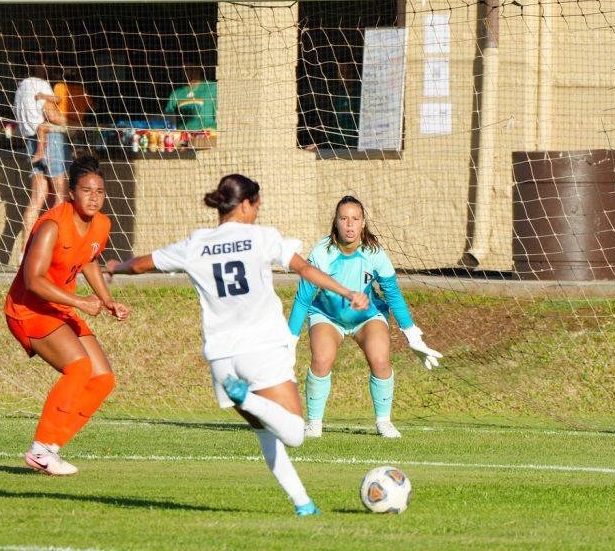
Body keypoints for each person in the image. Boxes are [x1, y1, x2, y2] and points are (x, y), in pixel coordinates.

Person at [107, 174, 369, 516]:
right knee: (293, 433)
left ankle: (304, 505)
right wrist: (348, 292)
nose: (257, 214)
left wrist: (114, 265)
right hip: (262, 348)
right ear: (245, 205)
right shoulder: (262, 238)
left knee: (266, 435)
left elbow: (140, 264)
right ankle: (246, 398)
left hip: (223, 359)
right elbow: (305, 269)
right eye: (256, 206)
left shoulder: (196, 243)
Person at [4, 155, 128, 476]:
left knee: (102, 379)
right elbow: (33, 281)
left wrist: (106, 300)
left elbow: (88, 258)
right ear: (71, 192)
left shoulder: (101, 223)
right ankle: (41, 448)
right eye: (87, 191)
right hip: (28, 309)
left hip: (59, 309)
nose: (94, 197)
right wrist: (80, 301)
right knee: (79, 367)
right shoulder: (51, 226)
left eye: (100, 191)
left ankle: (50, 448)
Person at [287, 196, 442, 439]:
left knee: (380, 361)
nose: (349, 224)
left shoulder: (374, 252)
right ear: (336, 223)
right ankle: (314, 423)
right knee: (321, 360)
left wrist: (412, 333)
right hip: (328, 316)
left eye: (355, 219)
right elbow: (303, 298)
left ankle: (384, 422)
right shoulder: (321, 252)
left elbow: (391, 292)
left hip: (367, 317)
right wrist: (290, 341)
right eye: (344, 218)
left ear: (363, 223)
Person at [13, 59, 72, 256]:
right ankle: (53, 250)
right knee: (62, 198)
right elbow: (52, 115)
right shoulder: (40, 85)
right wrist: (73, 123)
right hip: (52, 141)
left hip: (31, 142)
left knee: (37, 199)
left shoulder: (20, 89)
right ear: (39, 66)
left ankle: (25, 253)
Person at [164, 63, 218, 132]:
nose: (189, 72)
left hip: (207, 137)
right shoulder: (176, 94)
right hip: (184, 138)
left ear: (200, 68)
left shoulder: (212, 87)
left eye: (193, 69)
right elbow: (169, 121)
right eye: (187, 69)